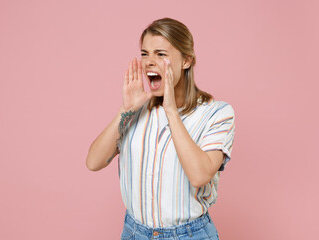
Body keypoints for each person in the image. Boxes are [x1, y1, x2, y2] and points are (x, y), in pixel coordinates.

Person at [86, 18, 235, 240]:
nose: (149, 62)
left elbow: (199, 175)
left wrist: (171, 111)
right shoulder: (135, 111)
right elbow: (93, 162)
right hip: (134, 233)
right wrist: (124, 110)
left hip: (190, 235)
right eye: (145, 53)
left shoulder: (218, 113)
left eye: (160, 54)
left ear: (186, 61)